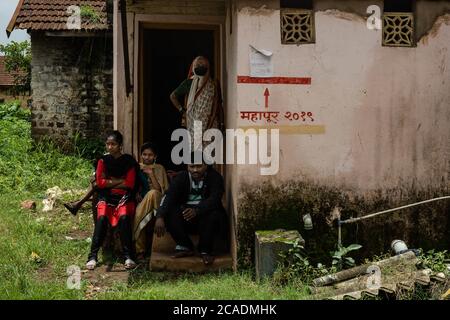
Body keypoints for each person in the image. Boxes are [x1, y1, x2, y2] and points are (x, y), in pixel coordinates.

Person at [154, 152, 229, 265]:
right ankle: (185, 246)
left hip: (205, 219)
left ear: (206, 165)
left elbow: (215, 199)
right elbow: (168, 196)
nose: (195, 170)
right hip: (186, 218)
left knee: (214, 213)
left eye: (199, 166)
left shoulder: (215, 177)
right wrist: (160, 216)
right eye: (191, 166)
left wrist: (197, 210)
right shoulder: (181, 177)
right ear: (187, 166)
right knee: (170, 211)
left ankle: (205, 250)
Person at [86, 131, 138, 270]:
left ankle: (128, 256)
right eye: (108, 144)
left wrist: (110, 181)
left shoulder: (129, 161)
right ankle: (92, 256)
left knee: (124, 217)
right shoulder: (102, 161)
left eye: (113, 144)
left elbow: (130, 184)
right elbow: (100, 183)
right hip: (106, 197)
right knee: (102, 218)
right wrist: (120, 180)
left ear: (120, 145)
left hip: (124, 197)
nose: (110, 147)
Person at [170, 56, 224, 150]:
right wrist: (182, 110)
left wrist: (222, 123)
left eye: (203, 64)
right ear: (193, 67)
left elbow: (218, 104)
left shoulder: (213, 84)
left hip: (211, 123)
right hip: (193, 124)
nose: (200, 66)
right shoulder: (189, 83)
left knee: (210, 155)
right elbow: (173, 96)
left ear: (208, 66)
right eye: (198, 64)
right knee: (196, 152)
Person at [133, 142, 169, 262]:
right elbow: (132, 186)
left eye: (150, 155)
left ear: (155, 156)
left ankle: (138, 249)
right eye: (144, 154)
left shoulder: (159, 168)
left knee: (152, 193)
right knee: (141, 213)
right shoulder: (136, 168)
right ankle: (140, 252)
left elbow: (160, 190)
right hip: (142, 203)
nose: (147, 157)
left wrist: (151, 173)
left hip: (157, 201)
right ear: (141, 155)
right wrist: (136, 193)